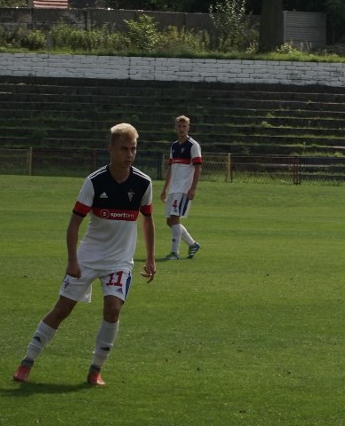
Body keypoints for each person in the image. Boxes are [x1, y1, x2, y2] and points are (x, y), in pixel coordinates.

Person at [13, 123, 156, 386]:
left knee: (113, 310)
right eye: (124, 149)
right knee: (62, 309)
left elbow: (147, 220)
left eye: (133, 149)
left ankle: (95, 371)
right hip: (88, 258)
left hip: (119, 262)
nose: (129, 154)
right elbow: (74, 224)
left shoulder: (143, 183)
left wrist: (150, 257)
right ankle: (26, 363)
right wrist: (72, 260)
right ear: (111, 149)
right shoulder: (94, 182)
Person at [160, 115, 203, 260]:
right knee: (169, 221)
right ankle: (192, 244)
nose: (182, 129)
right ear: (175, 128)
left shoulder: (193, 145)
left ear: (188, 127)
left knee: (174, 218)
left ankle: (174, 253)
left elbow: (198, 169)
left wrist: (193, 188)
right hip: (173, 188)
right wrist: (165, 188)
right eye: (179, 126)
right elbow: (171, 168)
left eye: (184, 126)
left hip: (184, 188)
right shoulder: (174, 146)